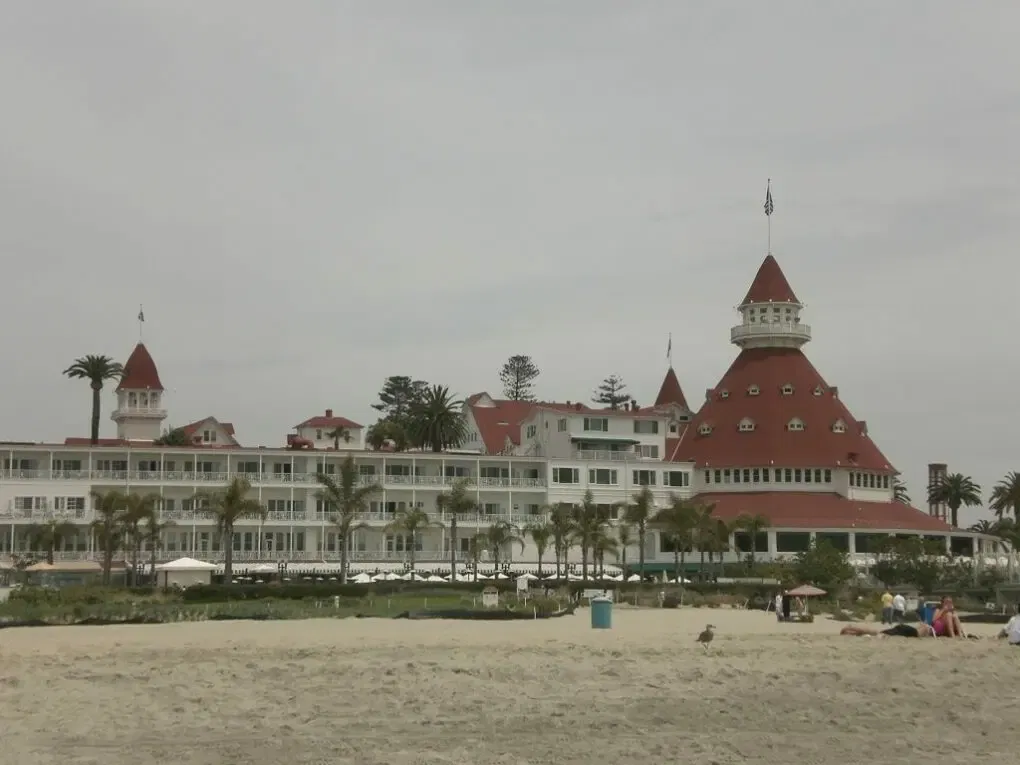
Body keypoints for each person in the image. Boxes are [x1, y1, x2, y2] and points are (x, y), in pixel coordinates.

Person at [841, 623, 934, 638]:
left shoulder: (921, 627)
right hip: (901, 630)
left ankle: (851, 629)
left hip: (899, 629)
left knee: (877, 632)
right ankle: (851, 630)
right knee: (925, 628)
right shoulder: (924, 630)